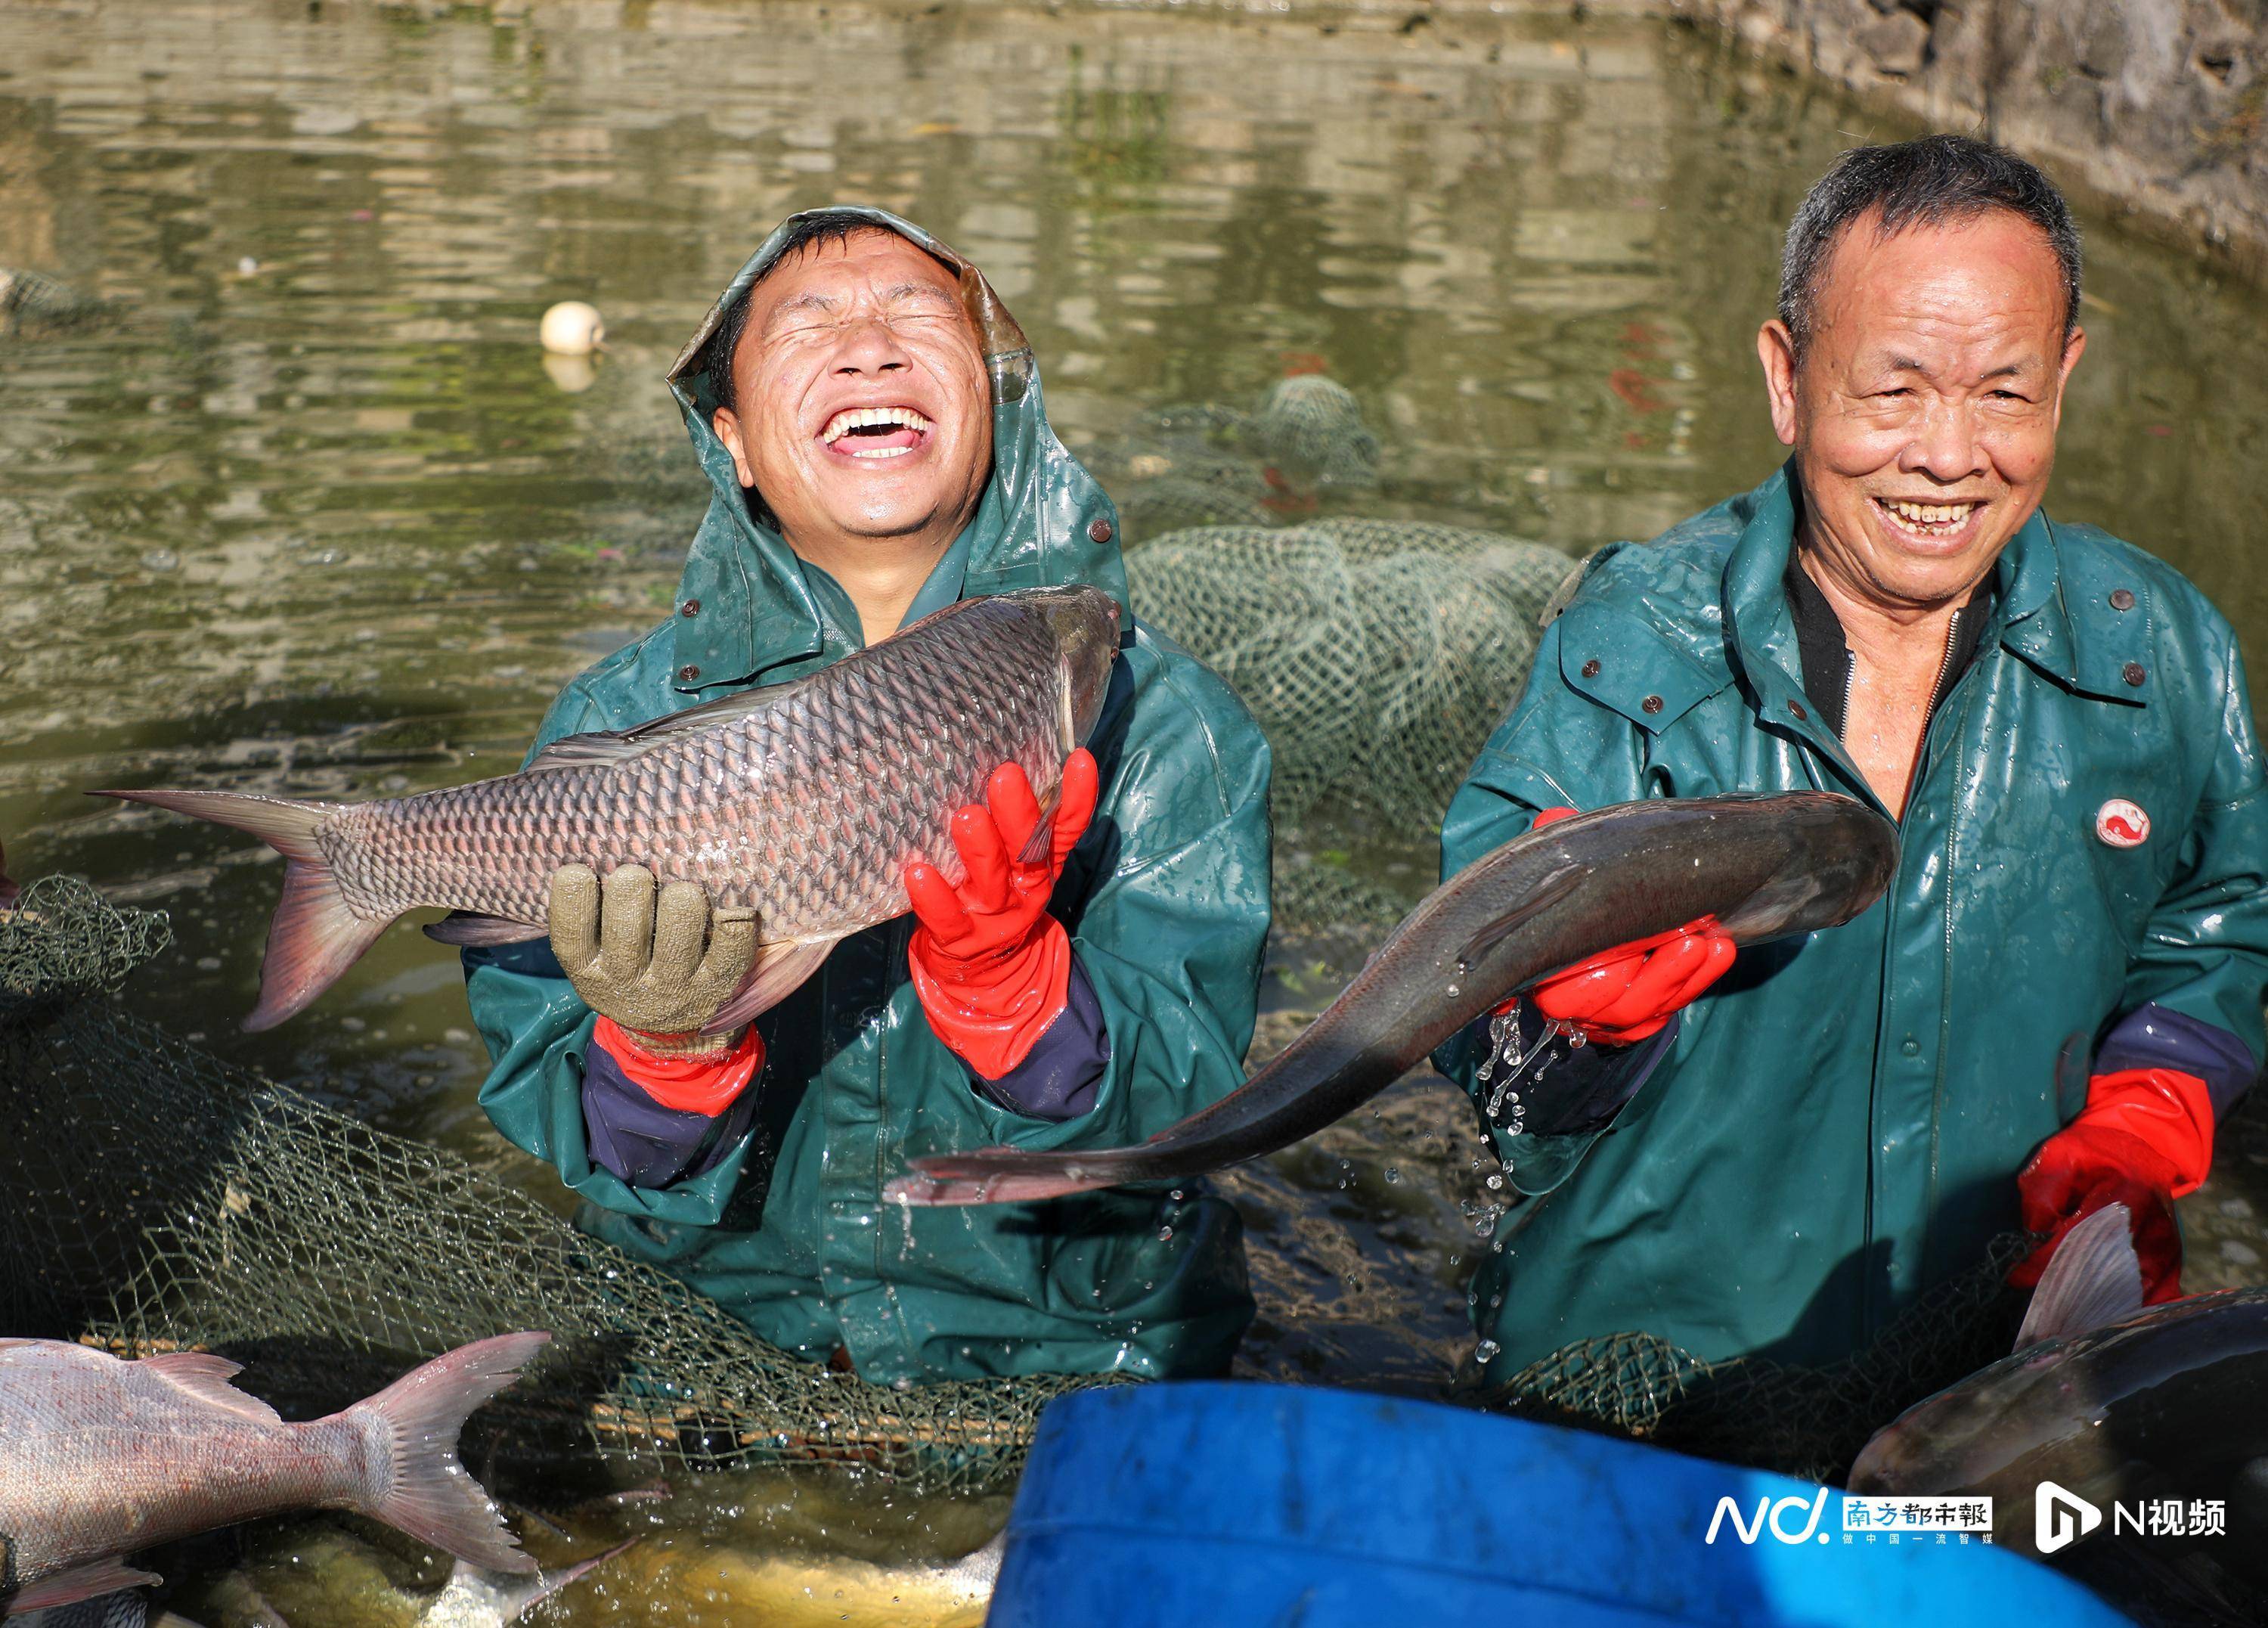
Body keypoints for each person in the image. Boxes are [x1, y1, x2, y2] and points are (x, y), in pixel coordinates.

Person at [1436, 135, 2268, 1377]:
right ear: (1787, 379)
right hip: (1641, 1369)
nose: (1949, 455)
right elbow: (1470, 1028)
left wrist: (2148, 1112)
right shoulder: (1630, 649)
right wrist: (1571, 1029)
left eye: (2005, 394)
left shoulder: (2163, 655)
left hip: (1996, 1358)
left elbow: (2218, 924)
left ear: (2066, 376)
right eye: (1895, 392)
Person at [462, 208, 1270, 1386]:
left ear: (995, 396)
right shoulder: (613, 720)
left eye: (916, 313)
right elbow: (577, 1126)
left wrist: (1023, 1000)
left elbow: (1193, 1112)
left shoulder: (1166, 719)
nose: (869, 348)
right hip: (703, 1350)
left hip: (1075, 1356)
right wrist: (665, 1054)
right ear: (732, 439)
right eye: (809, 324)